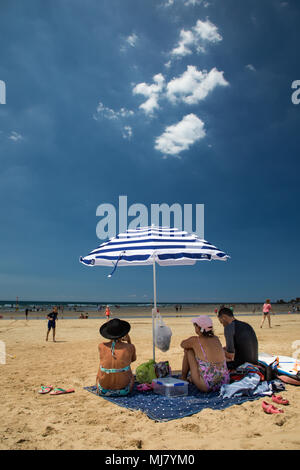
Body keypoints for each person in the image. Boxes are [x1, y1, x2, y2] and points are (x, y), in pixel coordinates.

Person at [180, 315, 229, 392]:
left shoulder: (195, 340)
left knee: (189, 350)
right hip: (224, 381)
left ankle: (183, 377)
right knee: (201, 357)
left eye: (195, 326)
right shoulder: (216, 339)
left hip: (207, 384)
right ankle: (191, 378)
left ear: (199, 328)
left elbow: (182, 344)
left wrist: (192, 345)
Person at [96, 318, 136, 397]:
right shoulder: (130, 347)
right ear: (123, 334)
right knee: (131, 375)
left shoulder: (101, 346)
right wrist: (129, 341)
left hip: (103, 390)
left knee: (101, 366)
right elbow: (132, 360)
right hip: (124, 390)